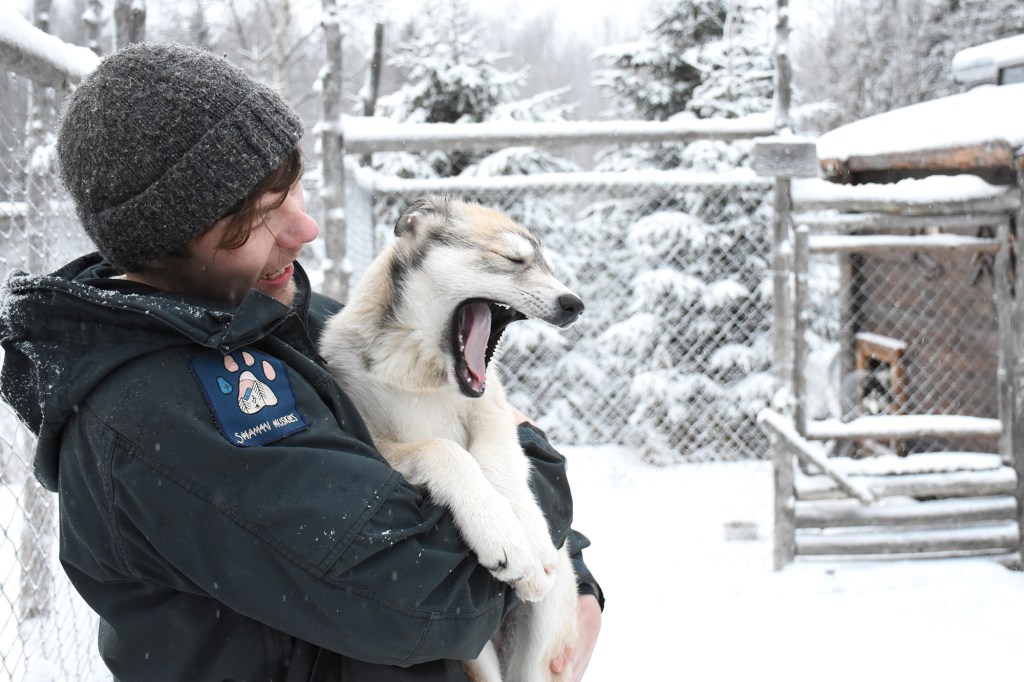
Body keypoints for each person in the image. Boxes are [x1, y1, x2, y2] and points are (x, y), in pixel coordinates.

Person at [0, 42, 602, 680]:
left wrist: (578, 581)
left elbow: (468, 458)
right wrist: (536, 455)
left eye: (296, 189)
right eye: (264, 216)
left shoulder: (283, 318)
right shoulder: (161, 412)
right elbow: (431, 601)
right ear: (168, 243)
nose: (306, 228)